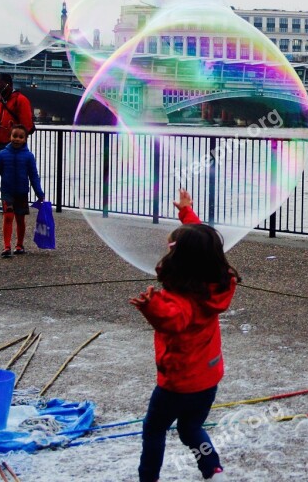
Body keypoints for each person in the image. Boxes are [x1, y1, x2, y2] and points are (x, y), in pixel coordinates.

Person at [130, 189, 238, 482]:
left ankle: (147, 477)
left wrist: (151, 306)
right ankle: (211, 466)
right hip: (208, 378)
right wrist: (186, 213)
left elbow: (173, 321)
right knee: (191, 428)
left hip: (177, 384)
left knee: (153, 429)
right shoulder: (214, 284)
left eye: (172, 250)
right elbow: (200, 241)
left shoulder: (180, 298)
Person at [0, 124, 45, 257]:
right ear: (10, 137)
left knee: (20, 219)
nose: (17, 139)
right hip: (7, 191)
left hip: (21, 192)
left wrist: (39, 193)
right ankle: (6, 246)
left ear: (25, 139)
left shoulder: (28, 156)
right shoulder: (3, 154)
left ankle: (19, 245)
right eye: (14, 136)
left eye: (20, 137)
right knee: (8, 216)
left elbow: (34, 176)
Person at [0, 73, 35, 213]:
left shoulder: (20, 100)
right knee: (3, 175)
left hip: (11, 145)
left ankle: (16, 205)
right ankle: (6, 204)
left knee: (15, 175)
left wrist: (16, 140)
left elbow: (27, 125)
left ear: (8, 84)